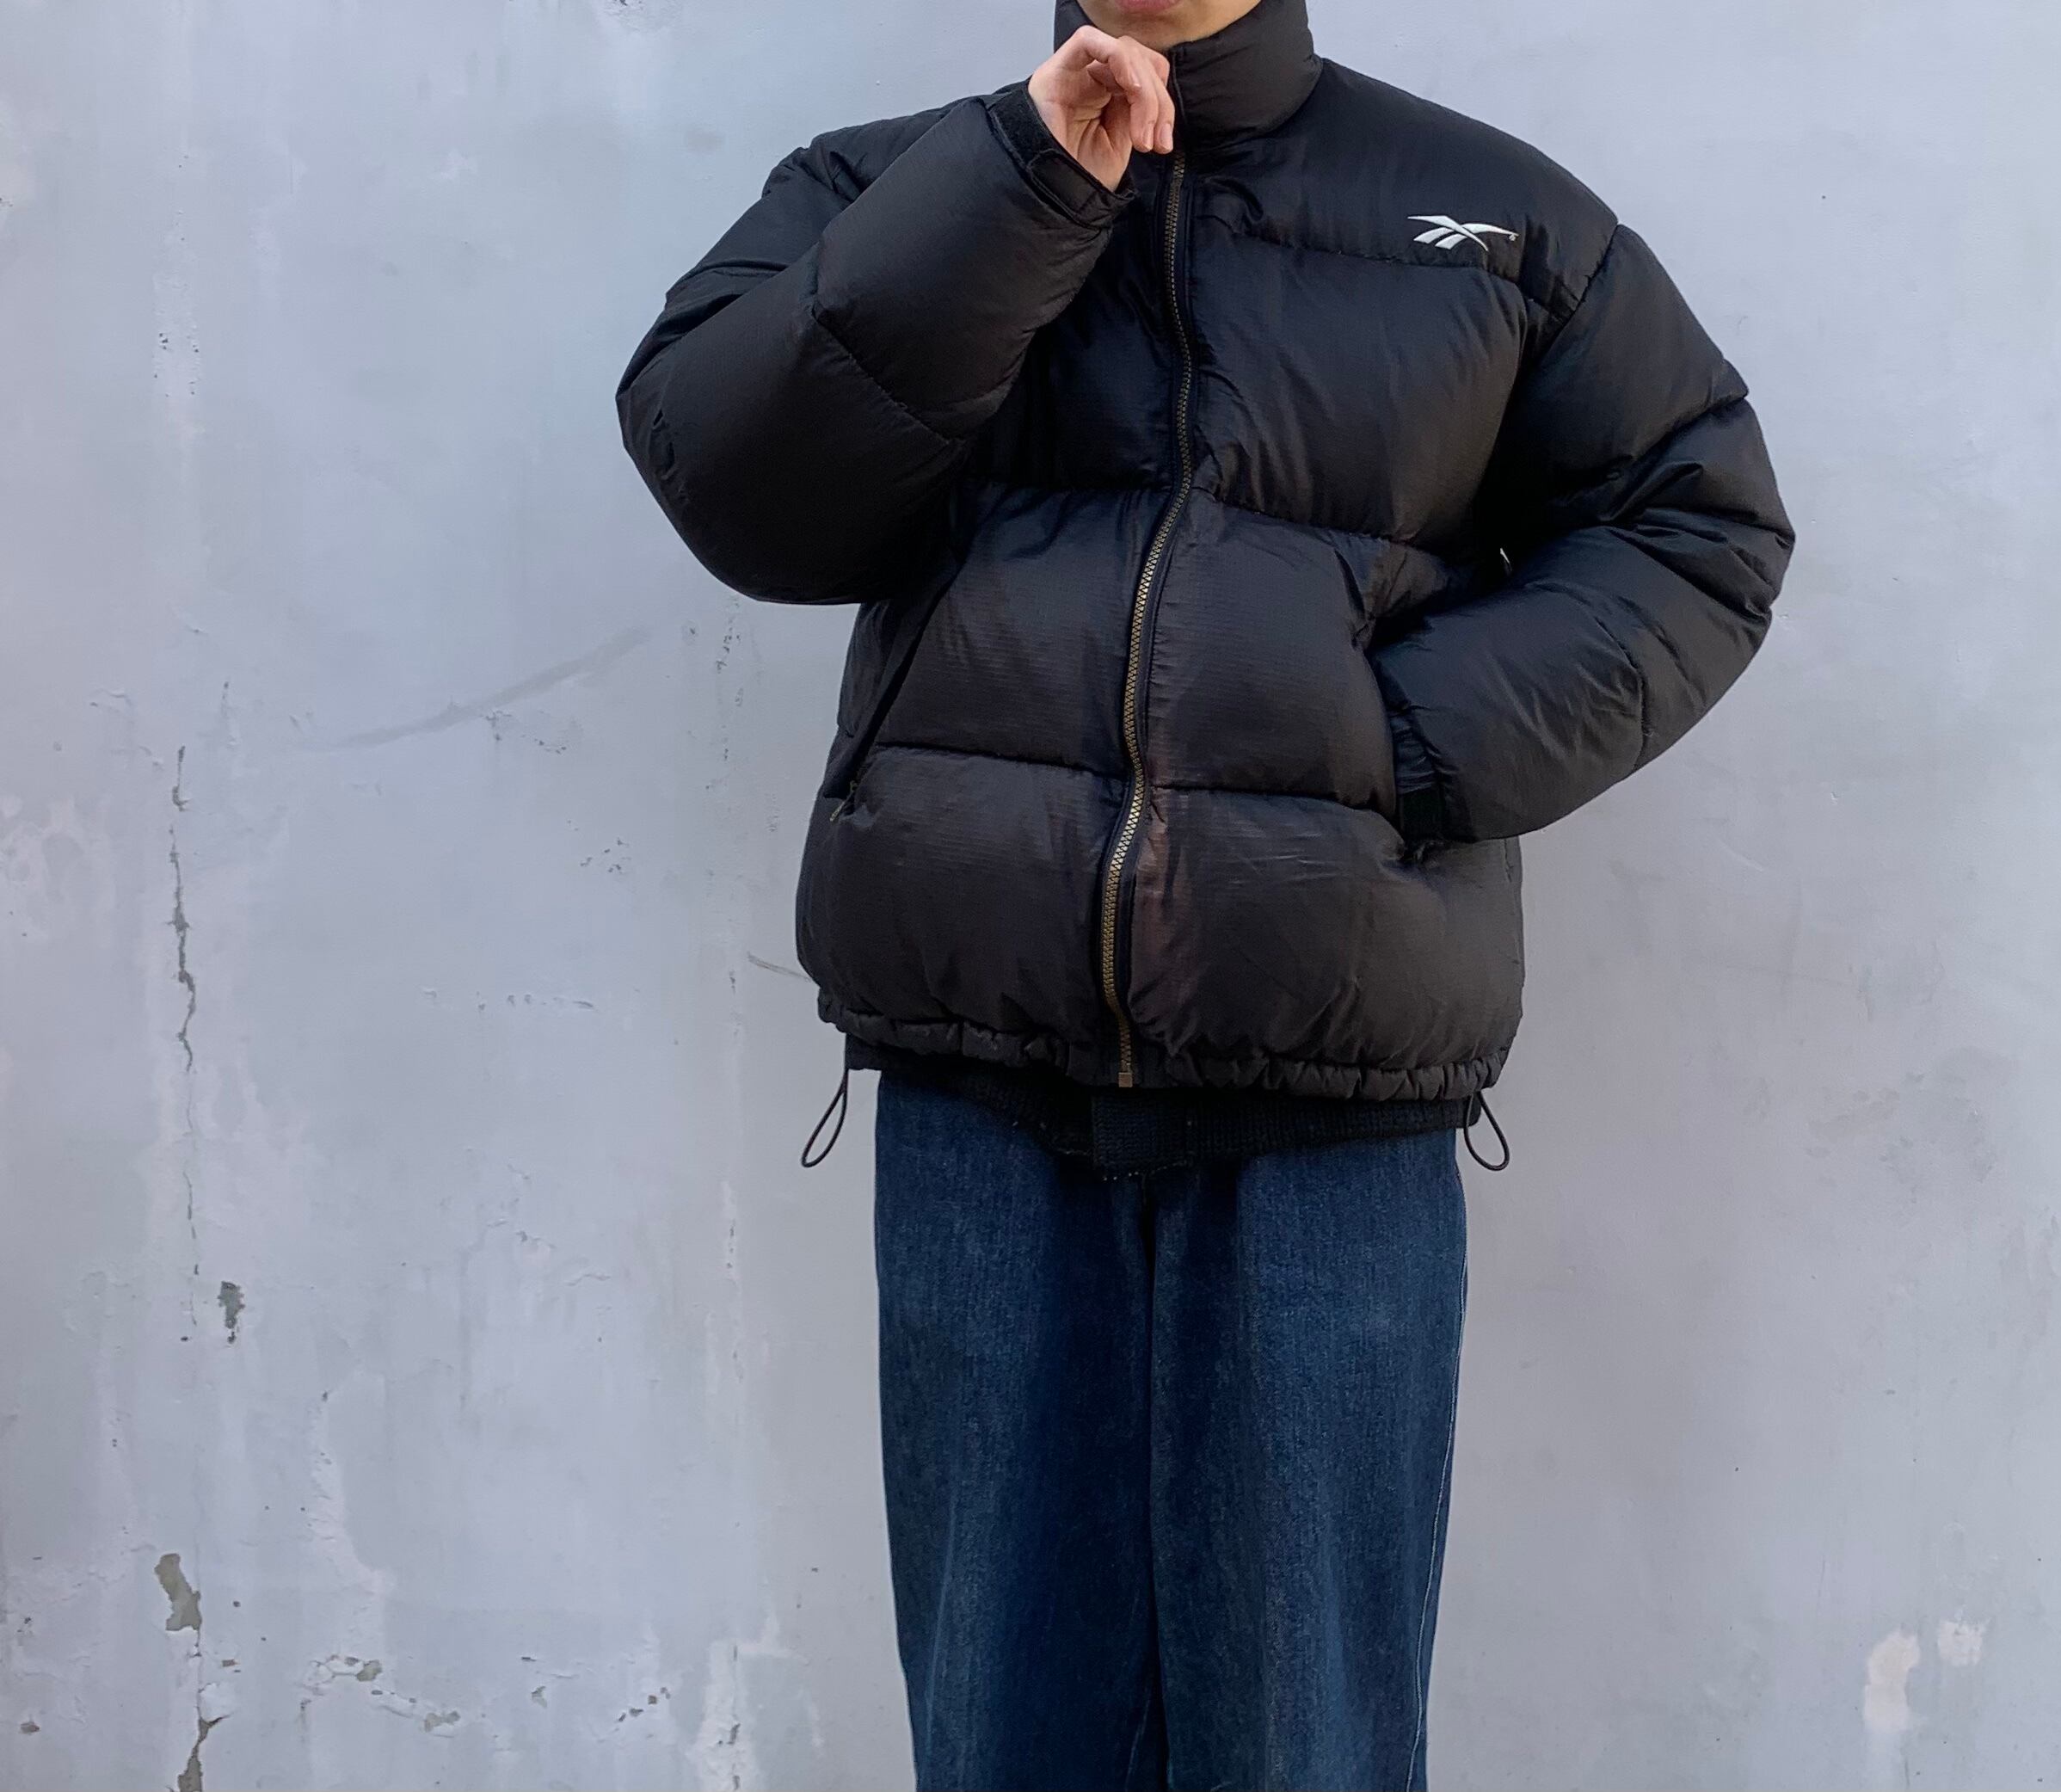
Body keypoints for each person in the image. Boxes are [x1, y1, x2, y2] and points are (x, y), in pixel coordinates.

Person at [617, 0, 1792, 1783]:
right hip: (981, 1087)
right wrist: (1018, 186)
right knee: (1002, 1729)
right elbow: (740, 486)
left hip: (1327, 1107)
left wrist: (1388, 747)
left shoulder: (1491, 219)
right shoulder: (886, 188)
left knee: (1307, 1742)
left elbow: (1697, 526)